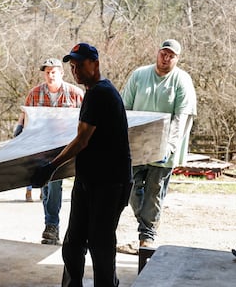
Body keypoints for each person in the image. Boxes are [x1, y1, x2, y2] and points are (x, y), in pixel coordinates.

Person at [31, 43, 132, 287]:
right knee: (74, 241)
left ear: (95, 64)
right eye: (73, 66)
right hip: (89, 179)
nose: (76, 70)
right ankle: (73, 283)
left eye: (80, 65)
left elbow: (82, 140)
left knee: (100, 243)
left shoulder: (101, 93)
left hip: (109, 182)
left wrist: (51, 166)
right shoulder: (93, 92)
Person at [118, 38, 197, 253]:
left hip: (165, 149)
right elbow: (124, 108)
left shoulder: (182, 80)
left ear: (177, 58)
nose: (166, 58)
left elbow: (182, 118)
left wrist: (170, 146)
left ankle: (147, 235)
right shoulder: (140, 75)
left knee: (154, 191)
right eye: (164, 53)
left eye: (171, 55)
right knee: (131, 188)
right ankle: (144, 222)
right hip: (137, 146)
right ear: (158, 53)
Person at [14, 57, 85, 244]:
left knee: (54, 183)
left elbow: (87, 121)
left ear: (61, 73)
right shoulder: (35, 93)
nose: (50, 75)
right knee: (46, 186)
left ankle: (52, 225)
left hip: (66, 148)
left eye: (54, 72)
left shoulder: (75, 94)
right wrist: (18, 135)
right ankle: (51, 225)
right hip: (40, 147)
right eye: (47, 72)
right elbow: (23, 117)